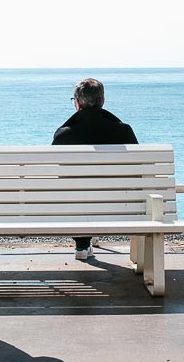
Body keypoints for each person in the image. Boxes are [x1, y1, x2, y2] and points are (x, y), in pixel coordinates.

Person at [52, 78, 139, 260]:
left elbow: (57, 176)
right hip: (120, 208)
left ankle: (82, 244)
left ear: (77, 103)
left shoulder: (63, 134)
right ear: (102, 101)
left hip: (71, 208)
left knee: (76, 191)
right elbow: (138, 172)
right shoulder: (124, 131)